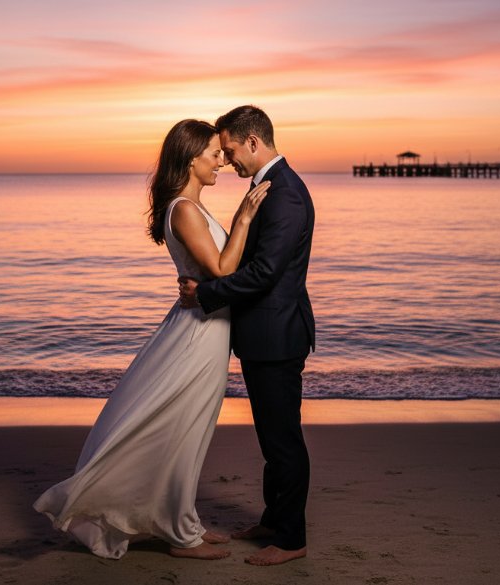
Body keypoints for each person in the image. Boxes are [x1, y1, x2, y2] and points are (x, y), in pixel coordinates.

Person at [32, 119, 270, 560]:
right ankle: (180, 535)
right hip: (198, 336)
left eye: (222, 152)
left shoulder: (192, 207)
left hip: (209, 330)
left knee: (188, 430)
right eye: (214, 153)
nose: (222, 159)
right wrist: (244, 218)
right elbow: (220, 271)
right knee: (181, 427)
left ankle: (183, 522)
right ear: (190, 158)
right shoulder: (183, 209)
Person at [178, 105, 315, 567]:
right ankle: (273, 519)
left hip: (277, 336)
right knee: (271, 437)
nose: (228, 160)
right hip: (264, 333)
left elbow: (265, 272)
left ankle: (291, 538)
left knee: (283, 440)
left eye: (232, 150)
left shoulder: (286, 195)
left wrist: (208, 292)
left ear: (254, 143)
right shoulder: (269, 189)